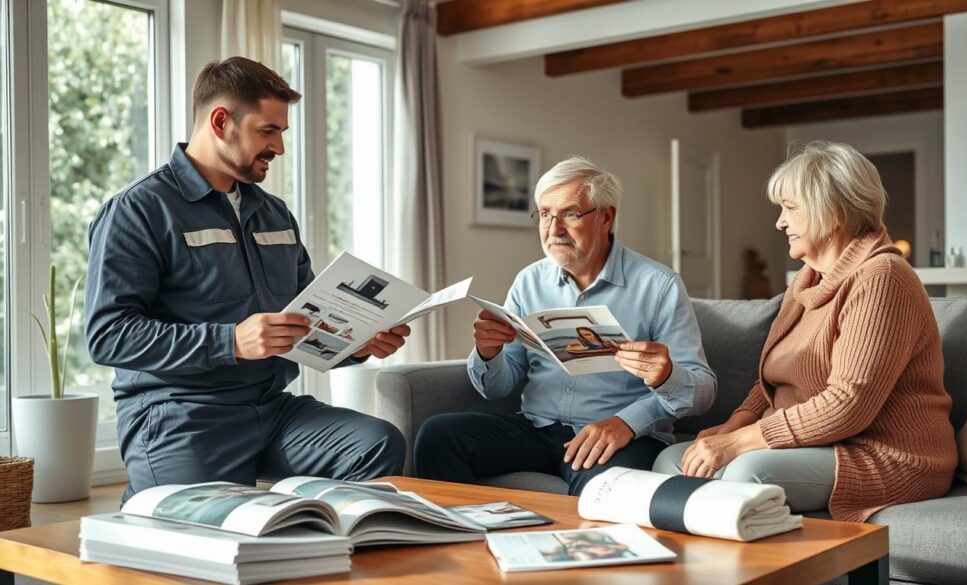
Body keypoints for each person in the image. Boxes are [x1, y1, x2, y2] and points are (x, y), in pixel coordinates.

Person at [84, 57, 409, 501]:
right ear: (221, 121)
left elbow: (306, 320)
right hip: (180, 415)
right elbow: (109, 336)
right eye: (267, 131)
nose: (278, 147)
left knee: (377, 442)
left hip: (273, 410)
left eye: (281, 133)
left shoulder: (274, 213)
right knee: (202, 527)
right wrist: (231, 341)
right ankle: (150, 502)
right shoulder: (138, 210)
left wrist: (358, 343)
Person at [653, 141, 957, 522]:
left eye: (790, 209)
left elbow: (848, 404)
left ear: (832, 212)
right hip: (811, 445)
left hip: (882, 452)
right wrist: (729, 430)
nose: (780, 222)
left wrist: (737, 445)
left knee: (748, 475)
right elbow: (772, 384)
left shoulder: (884, 278)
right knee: (672, 460)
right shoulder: (806, 281)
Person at [413, 156, 717, 495]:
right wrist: (488, 353)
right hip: (536, 428)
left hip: (619, 435)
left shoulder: (659, 285)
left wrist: (641, 404)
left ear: (606, 217)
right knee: (438, 435)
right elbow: (498, 388)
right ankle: (456, 539)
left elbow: (703, 391)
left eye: (570, 214)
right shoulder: (529, 281)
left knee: (603, 490)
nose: (554, 229)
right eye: (545, 214)